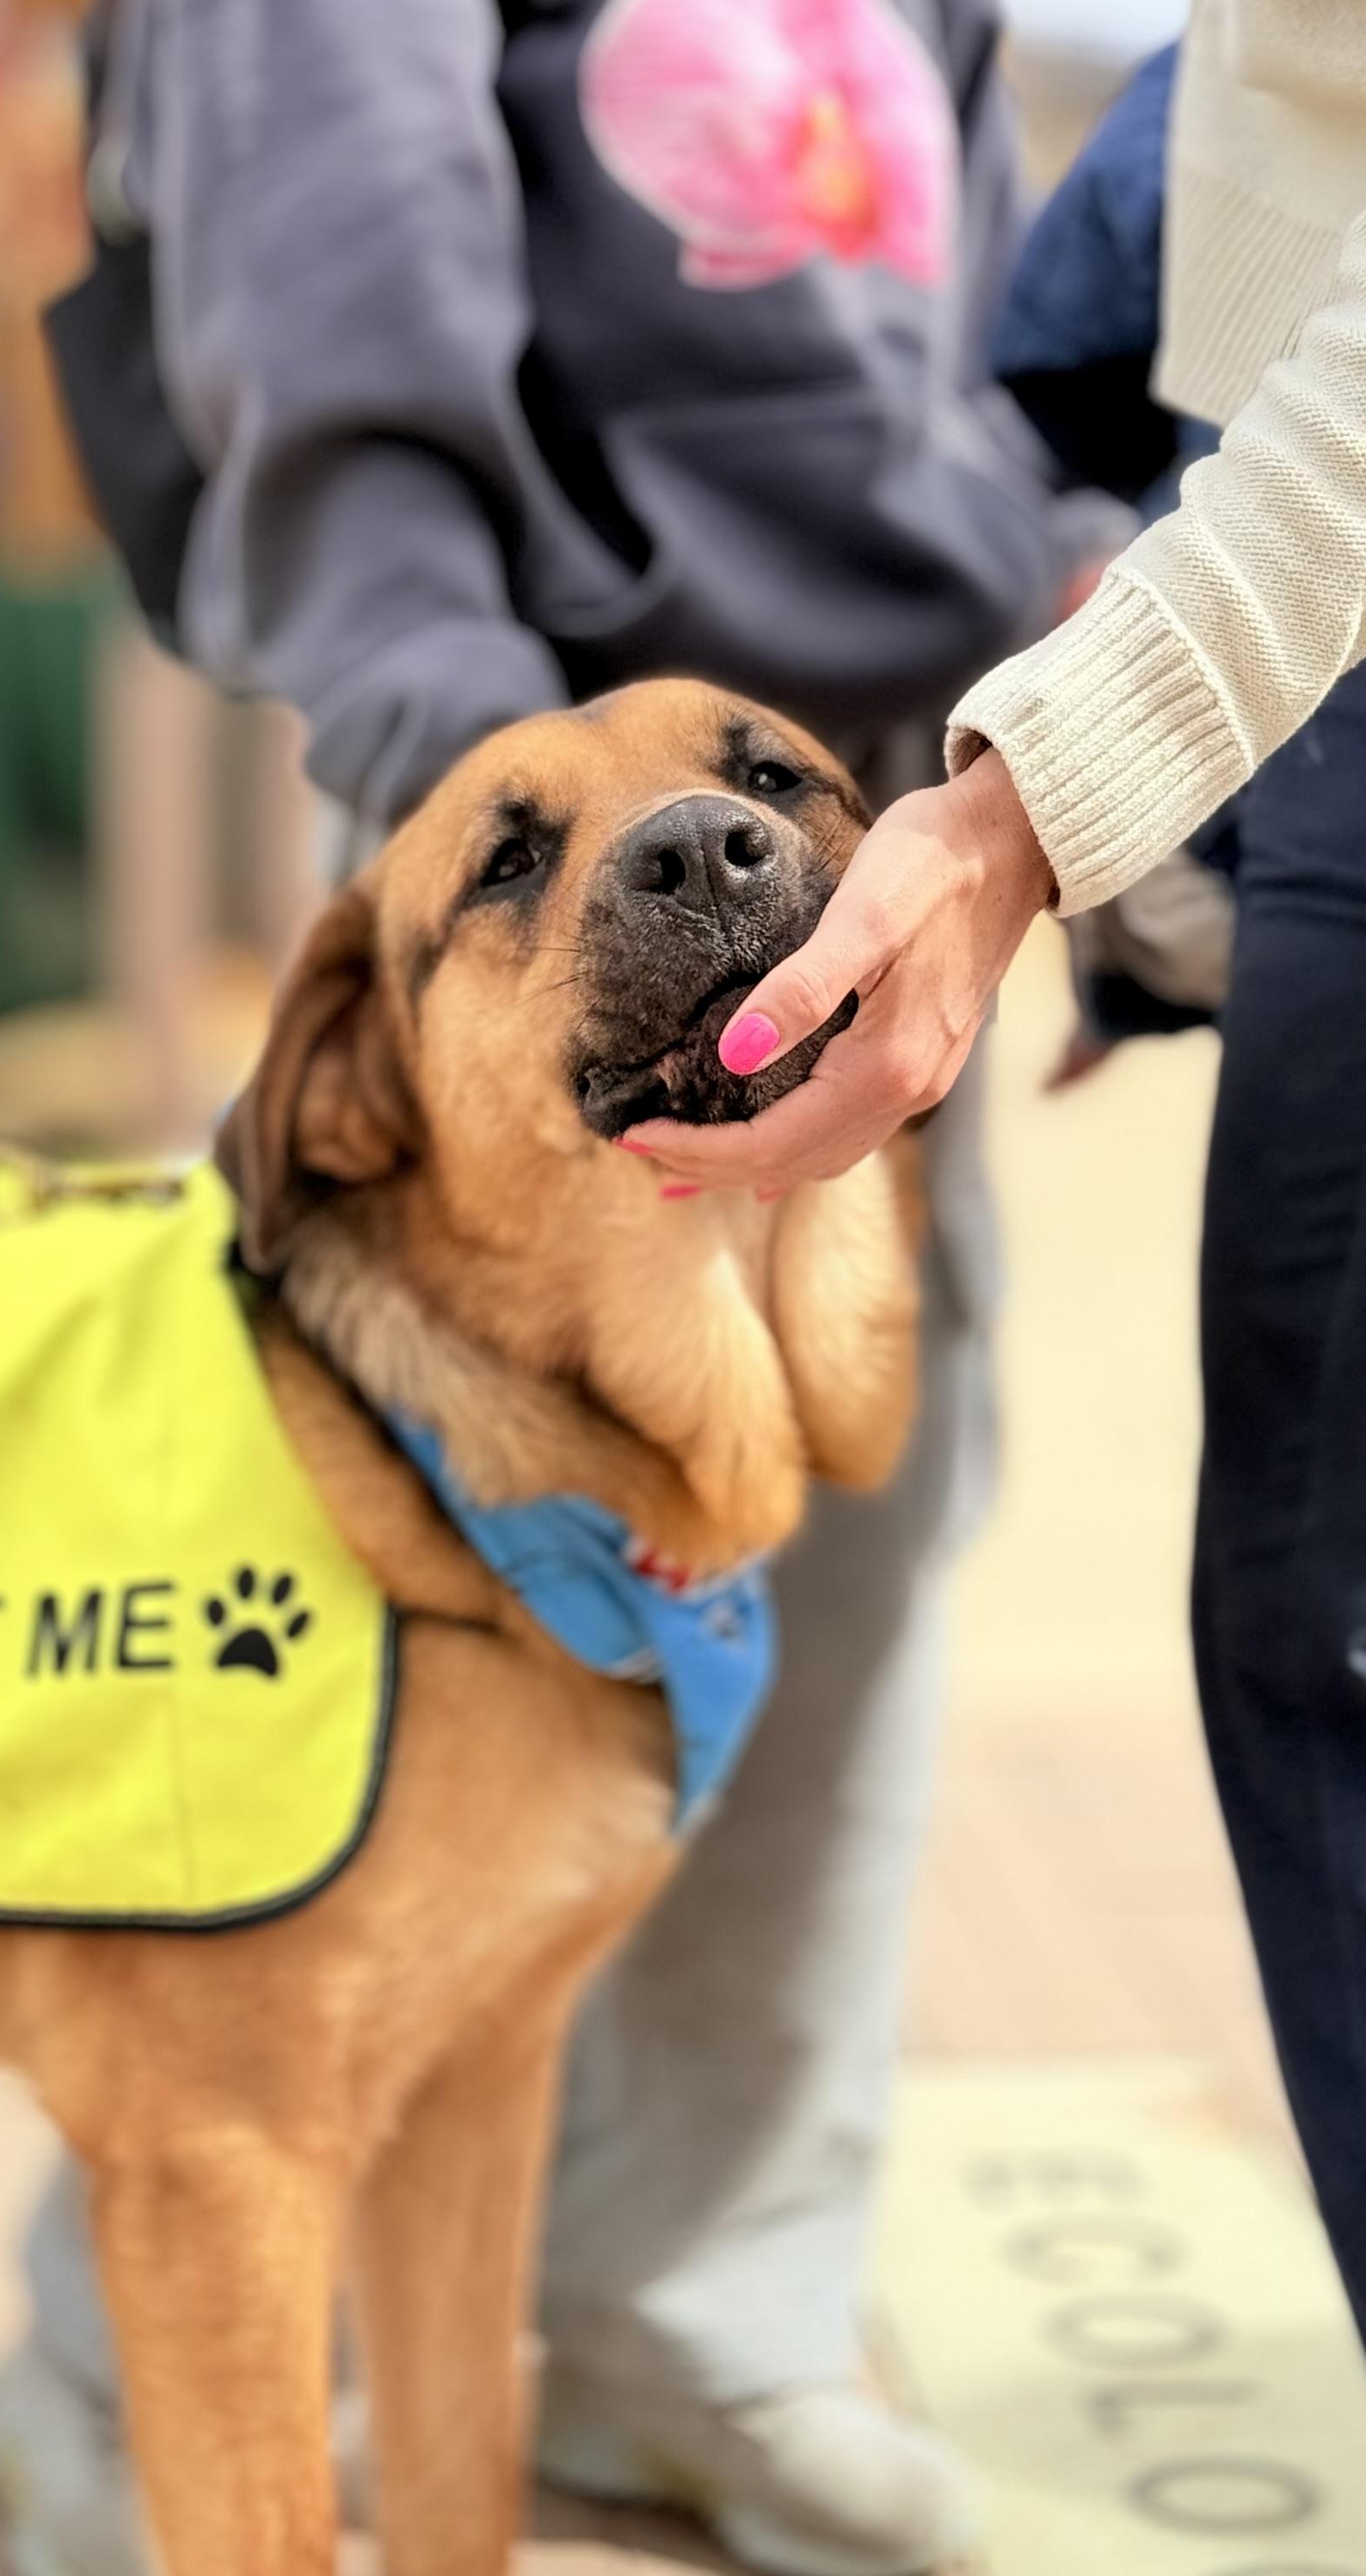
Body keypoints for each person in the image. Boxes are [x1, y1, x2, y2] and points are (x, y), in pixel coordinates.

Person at [0, 4, 1100, 2576]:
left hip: (882, 824)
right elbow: (327, 323)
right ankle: (119, 2371)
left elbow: (987, 340)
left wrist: (1052, 777)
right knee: (299, 1732)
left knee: (851, 1585)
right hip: (494, 824)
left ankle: (690, 2318)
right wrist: (504, 809)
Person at [626, 3, 1366, 2350]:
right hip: (1292, 656)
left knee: (1317, 1622)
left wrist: (1040, 800)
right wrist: (1134, 846)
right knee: (1306, 1618)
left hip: (1270, 615)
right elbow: (1195, 202)